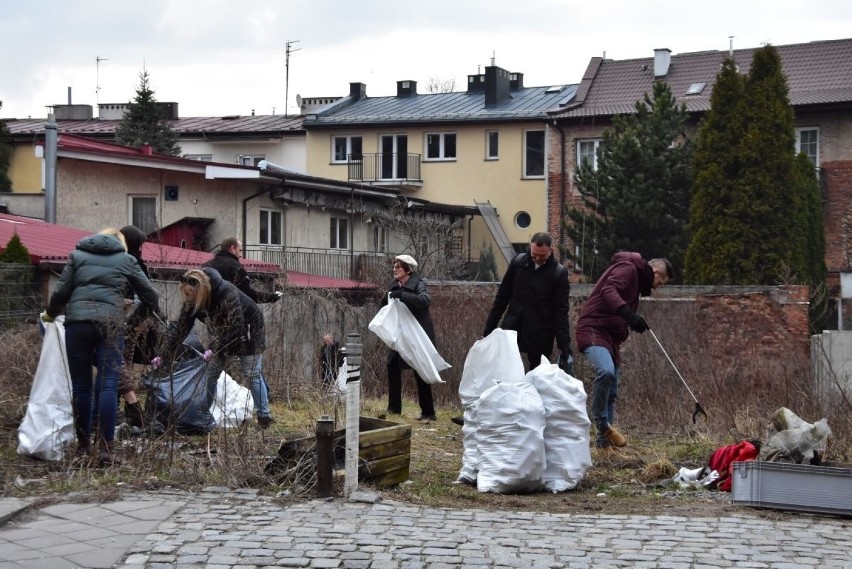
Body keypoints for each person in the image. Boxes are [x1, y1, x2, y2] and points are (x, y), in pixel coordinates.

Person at [41, 228, 160, 466]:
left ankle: (83, 446)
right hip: (110, 326)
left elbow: (61, 291)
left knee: (81, 386)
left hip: (78, 326)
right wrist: (129, 318)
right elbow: (151, 295)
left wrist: (50, 315)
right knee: (108, 384)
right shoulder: (125, 259)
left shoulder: (77, 256)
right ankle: (106, 449)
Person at [575, 252, 674, 450]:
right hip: (594, 328)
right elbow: (609, 291)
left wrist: (632, 322)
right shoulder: (628, 268)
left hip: (611, 337)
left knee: (611, 392)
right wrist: (629, 315)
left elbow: (620, 306)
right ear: (655, 272)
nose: (656, 288)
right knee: (606, 371)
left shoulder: (636, 281)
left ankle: (604, 447)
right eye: (660, 283)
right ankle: (602, 426)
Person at [157, 267, 275, 429]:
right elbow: (181, 328)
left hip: (248, 329)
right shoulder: (193, 300)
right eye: (186, 294)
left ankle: (264, 416)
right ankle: (204, 414)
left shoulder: (225, 292)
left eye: (191, 294)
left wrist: (215, 349)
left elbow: (236, 326)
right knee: (212, 373)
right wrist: (163, 354)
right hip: (223, 334)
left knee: (251, 373)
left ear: (202, 290)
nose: (189, 298)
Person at [483, 232, 573, 373]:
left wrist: (565, 346)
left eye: (542, 256)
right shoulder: (518, 263)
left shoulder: (558, 273)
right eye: (534, 254)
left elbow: (560, 313)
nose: (537, 258)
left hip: (541, 332)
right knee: (505, 370)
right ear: (530, 248)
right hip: (512, 325)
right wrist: (489, 329)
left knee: (537, 374)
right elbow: (502, 296)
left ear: (551, 250)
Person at [382, 254, 437, 421]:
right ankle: (394, 410)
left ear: (408, 270)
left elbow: (425, 300)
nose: (395, 269)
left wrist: (403, 295)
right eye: (394, 266)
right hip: (401, 335)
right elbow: (384, 305)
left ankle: (428, 412)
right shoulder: (394, 285)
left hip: (418, 334)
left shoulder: (419, 283)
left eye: (398, 267)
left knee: (420, 370)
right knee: (392, 366)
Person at [117, 225, 157, 429]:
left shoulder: (120, 260)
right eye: (140, 244)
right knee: (120, 364)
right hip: (125, 321)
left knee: (123, 364)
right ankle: (128, 410)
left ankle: (125, 409)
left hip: (127, 321)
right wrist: (138, 322)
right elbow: (147, 295)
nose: (142, 248)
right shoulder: (131, 263)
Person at [204, 236, 282, 304]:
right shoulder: (236, 267)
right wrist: (271, 297)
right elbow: (248, 295)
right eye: (240, 250)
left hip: (208, 314)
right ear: (232, 249)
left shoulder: (207, 265)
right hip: (229, 313)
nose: (241, 255)